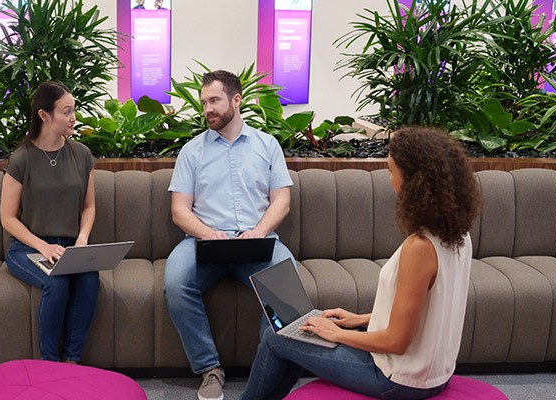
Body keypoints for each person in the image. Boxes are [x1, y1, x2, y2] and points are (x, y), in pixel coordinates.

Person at [241, 127, 481, 400]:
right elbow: (426, 311)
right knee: (303, 330)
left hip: (398, 379)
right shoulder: (458, 235)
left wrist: (336, 334)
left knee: (276, 338)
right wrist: (361, 319)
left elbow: (396, 342)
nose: (389, 179)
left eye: (391, 171)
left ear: (415, 181)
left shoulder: (420, 248)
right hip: (433, 372)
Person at [165, 69, 297, 400]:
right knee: (176, 284)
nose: (207, 108)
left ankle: (267, 371)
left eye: (214, 100)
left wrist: (259, 232)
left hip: (258, 239)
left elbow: (282, 201)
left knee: (287, 286)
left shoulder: (267, 145)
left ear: (236, 100)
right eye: (204, 102)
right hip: (203, 241)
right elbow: (180, 210)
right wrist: (208, 234)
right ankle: (209, 369)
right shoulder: (192, 151)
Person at [1, 81, 99, 364]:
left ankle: (71, 362)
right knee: (56, 284)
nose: (73, 118)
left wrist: (82, 240)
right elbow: (7, 217)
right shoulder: (21, 159)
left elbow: (89, 206)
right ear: (44, 116)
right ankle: (49, 364)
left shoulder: (82, 155)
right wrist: (43, 246)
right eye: (66, 112)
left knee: (89, 282)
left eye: (74, 110)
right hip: (27, 248)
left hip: (70, 245)